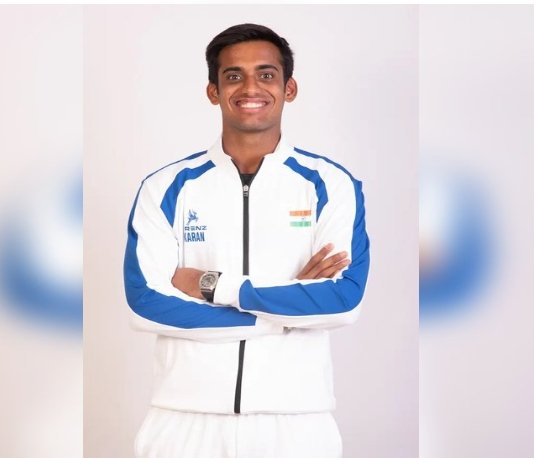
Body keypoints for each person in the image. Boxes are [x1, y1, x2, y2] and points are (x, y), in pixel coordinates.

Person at [124, 23, 370, 458]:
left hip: (296, 422)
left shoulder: (331, 185)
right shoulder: (165, 187)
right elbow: (144, 302)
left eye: (266, 74)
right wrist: (284, 315)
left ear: (289, 88)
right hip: (183, 421)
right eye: (233, 76)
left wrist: (213, 286)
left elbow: (342, 301)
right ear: (213, 92)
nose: (250, 87)